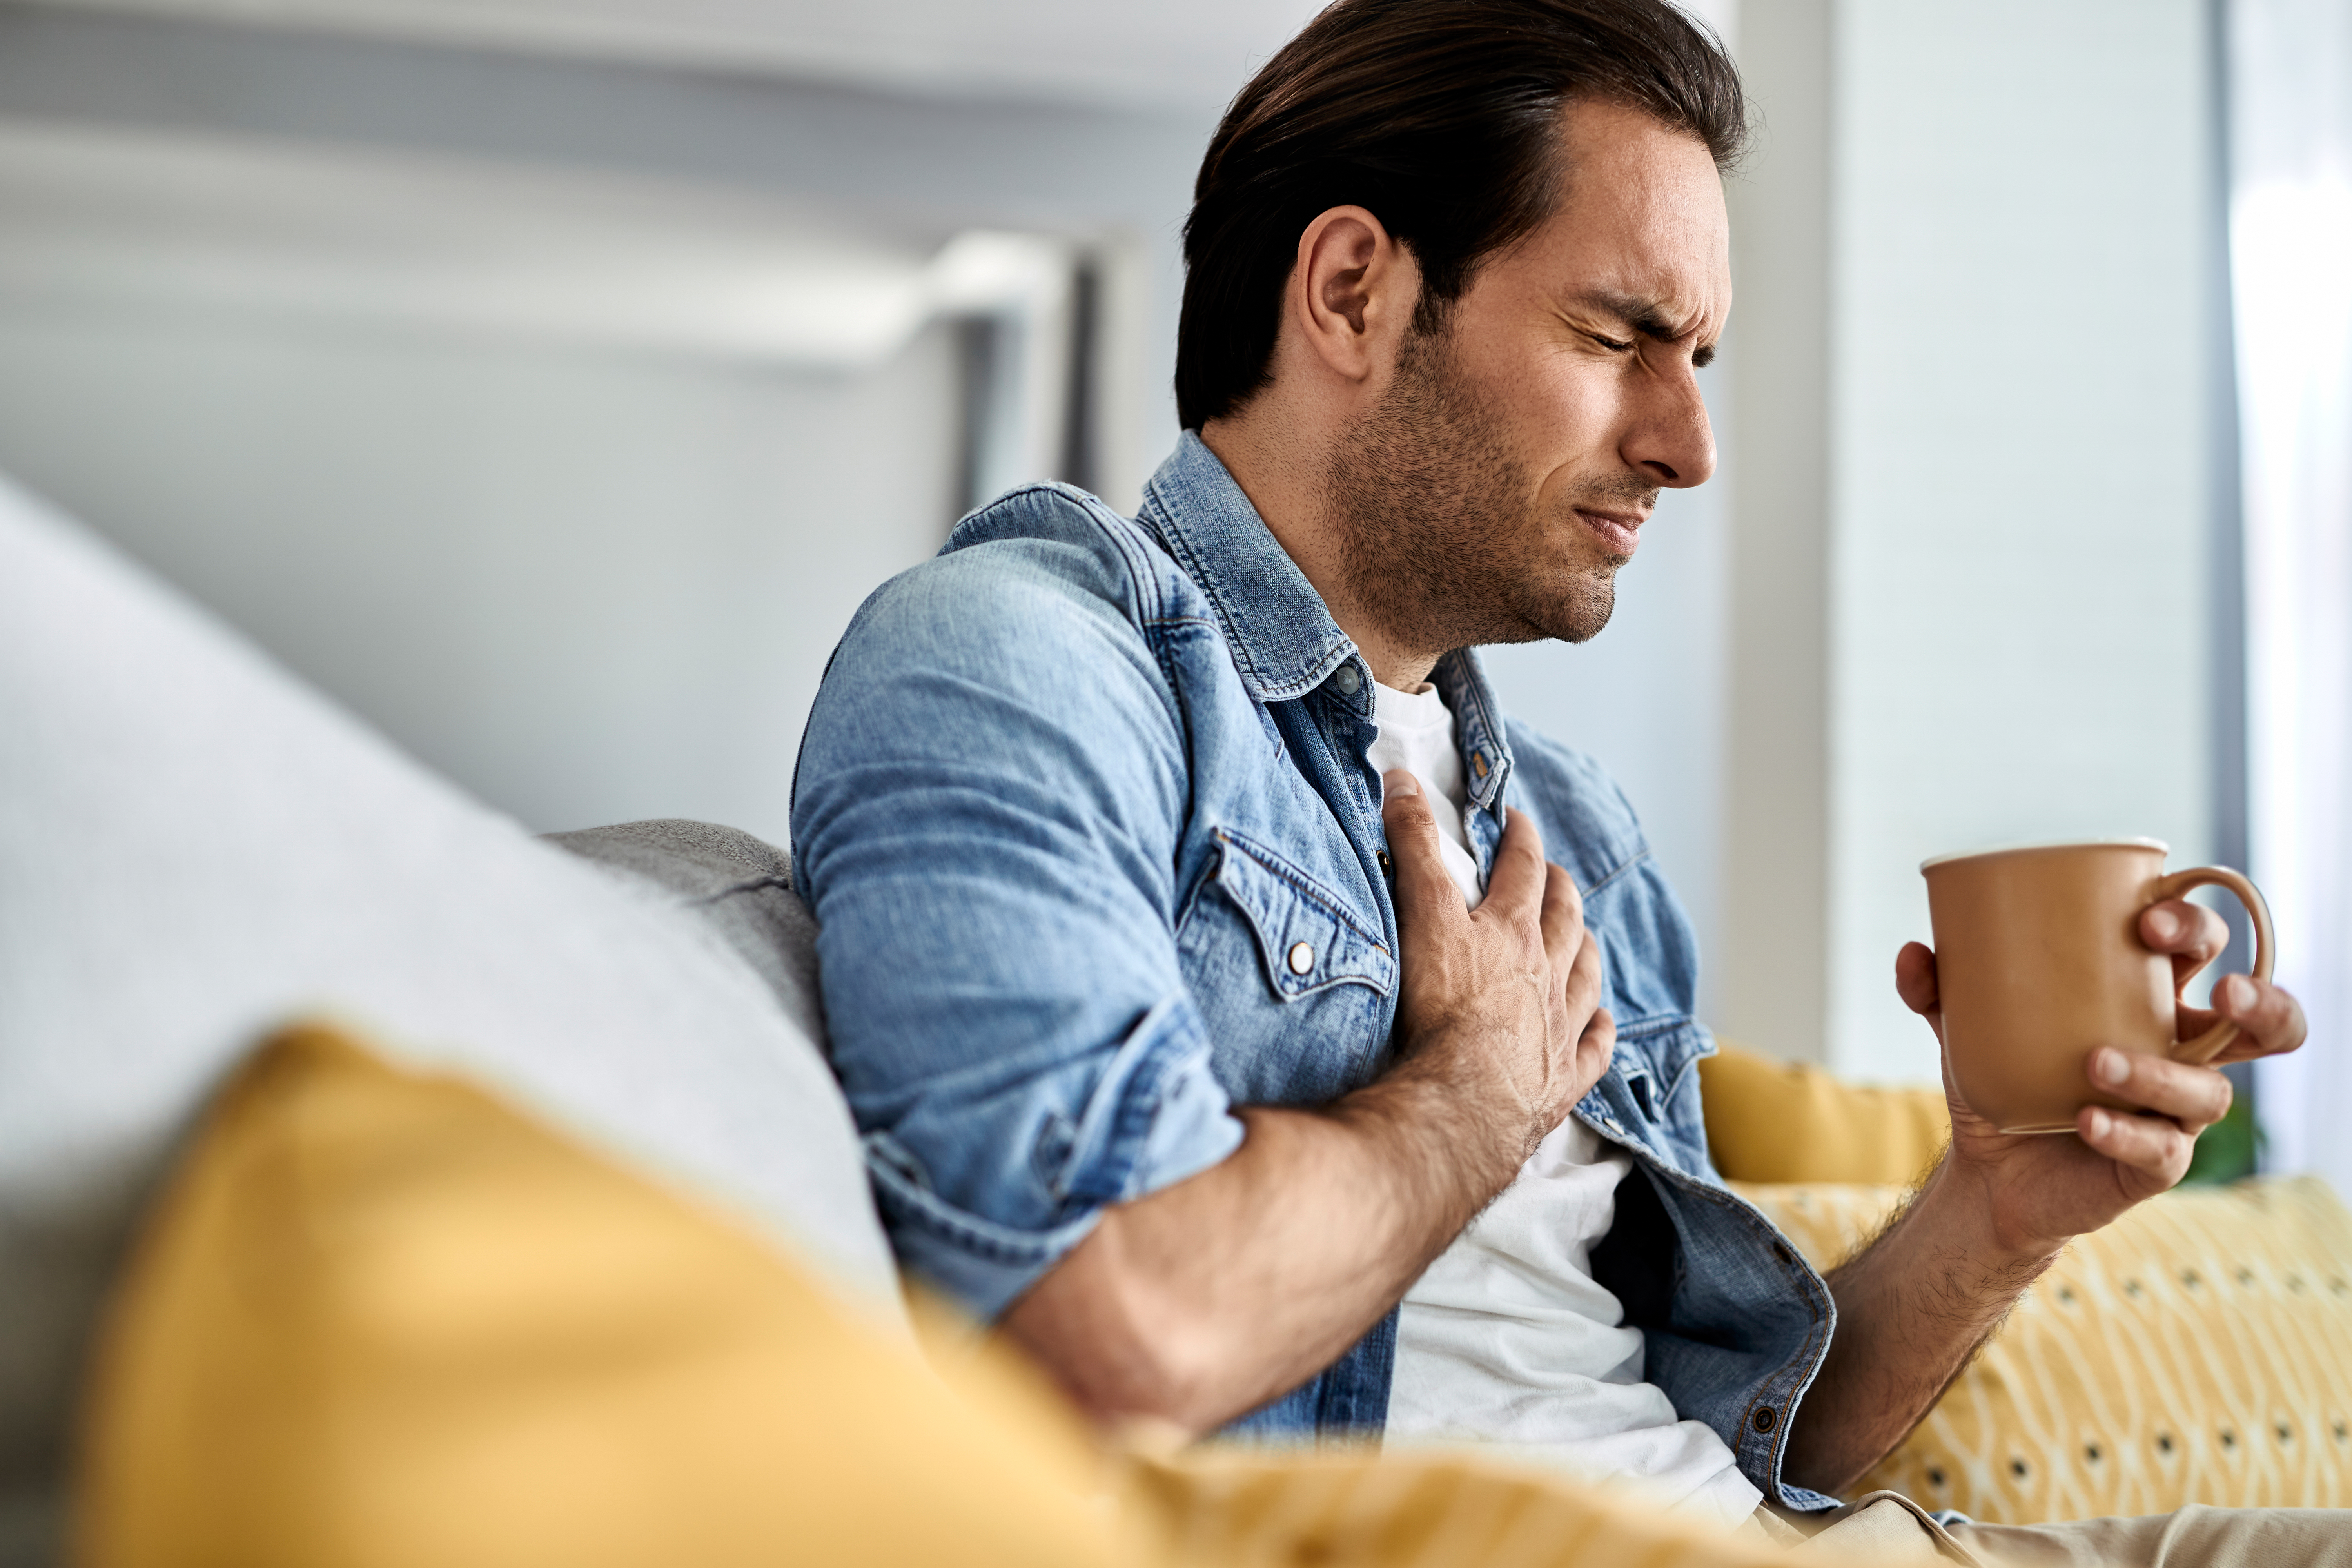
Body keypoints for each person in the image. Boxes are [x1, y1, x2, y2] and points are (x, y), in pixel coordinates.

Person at [789, 0, 2319, 1557]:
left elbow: (1732, 1443)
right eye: (1616, 337)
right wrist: (1468, 1106)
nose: (1689, 443)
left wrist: (1998, 1212)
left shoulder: (1571, 829)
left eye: (1701, 356)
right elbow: (1093, 1333)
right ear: (1351, 291)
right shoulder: (1023, 661)